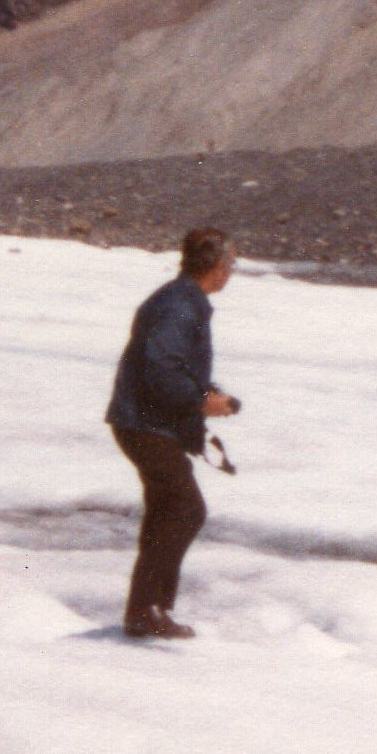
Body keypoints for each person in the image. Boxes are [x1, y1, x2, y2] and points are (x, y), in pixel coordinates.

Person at [105, 226, 243, 640]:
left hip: (146, 423)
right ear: (217, 267)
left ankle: (148, 610)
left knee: (169, 511)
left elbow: (168, 365)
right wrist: (200, 402)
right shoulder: (180, 305)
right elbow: (159, 369)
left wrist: (203, 392)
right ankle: (148, 609)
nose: (231, 272)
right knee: (184, 510)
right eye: (231, 264)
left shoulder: (181, 300)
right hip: (146, 424)